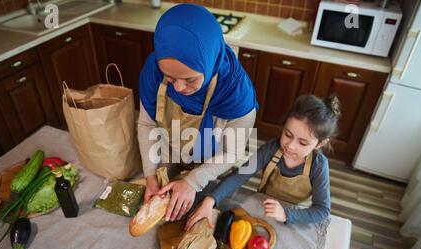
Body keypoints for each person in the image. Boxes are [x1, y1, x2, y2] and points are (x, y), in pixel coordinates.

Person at [138, 4, 258, 222]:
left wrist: (193, 181)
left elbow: (232, 153)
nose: (179, 88)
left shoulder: (237, 93)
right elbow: (146, 125)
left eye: (190, 79)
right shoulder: (153, 70)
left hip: (210, 168)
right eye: (170, 78)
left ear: (211, 61)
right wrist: (150, 175)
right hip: (168, 154)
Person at [185, 95, 341, 230]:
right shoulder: (271, 149)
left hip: (296, 215)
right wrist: (210, 200)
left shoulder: (319, 166)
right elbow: (240, 175)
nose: (290, 145)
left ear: (319, 144)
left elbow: (322, 210)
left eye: (302, 143)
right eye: (287, 134)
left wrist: (286, 214)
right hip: (264, 205)